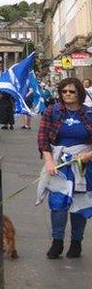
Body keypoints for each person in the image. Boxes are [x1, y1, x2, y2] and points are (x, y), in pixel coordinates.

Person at [37, 78, 92, 259]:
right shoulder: (52, 112)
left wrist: (87, 156)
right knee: (58, 203)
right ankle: (57, 242)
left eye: (72, 91)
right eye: (64, 91)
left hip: (83, 166)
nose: (67, 94)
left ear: (79, 93)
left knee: (79, 204)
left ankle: (76, 243)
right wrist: (49, 162)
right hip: (60, 163)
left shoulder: (89, 113)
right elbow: (43, 139)